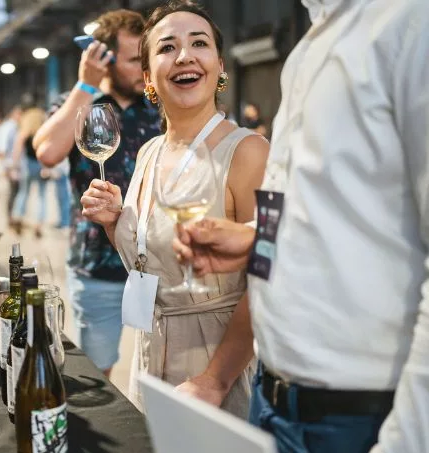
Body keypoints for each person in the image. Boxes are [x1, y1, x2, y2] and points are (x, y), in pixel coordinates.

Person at [173, 0, 429, 451]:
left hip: (360, 417)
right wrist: (257, 238)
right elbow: (321, 204)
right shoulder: (312, 43)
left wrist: (407, 439)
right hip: (271, 400)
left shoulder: (410, 23)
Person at [81, 1, 268, 417]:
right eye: (167, 47)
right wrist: (115, 224)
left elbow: (269, 276)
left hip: (220, 364)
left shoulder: (248, 152)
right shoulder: (149, 152)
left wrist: (215, 379)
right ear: (148, 77)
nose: (184, 56)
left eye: (199, 43)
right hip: (151, 355)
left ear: (220, 66)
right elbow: (149, 262)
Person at [34, 9, 160, 375]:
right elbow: (47, 152)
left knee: (161, 370)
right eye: (134, 60)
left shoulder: (161, 104)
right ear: (105, 58)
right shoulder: (77, 102)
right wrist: (86, 85)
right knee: (97, 371)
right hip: (98, 264)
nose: (144, 69)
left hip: (157, 262)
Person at [11, 107, 50, 238]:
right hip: (42, 164)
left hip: (28, 165)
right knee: (42, 196)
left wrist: (14, 166)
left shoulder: (25, 131)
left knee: (23, 193)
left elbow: (18, 146)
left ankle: (18, 217)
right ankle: (39, 224)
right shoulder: (44, 131)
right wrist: (47, 167)